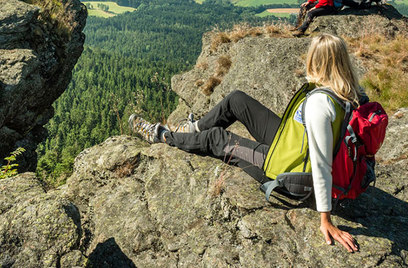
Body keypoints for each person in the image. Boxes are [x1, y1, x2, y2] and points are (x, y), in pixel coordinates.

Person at [128, 34, 361, 253]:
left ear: (316, 61)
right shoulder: (347, 92)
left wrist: (325, 220)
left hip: (291, 171)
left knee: (217, 138)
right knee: (237, 100)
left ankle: (162, 136)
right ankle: (193, 128)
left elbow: (321, 164)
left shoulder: (320, 104)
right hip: (293, 146)